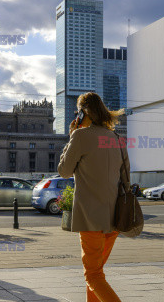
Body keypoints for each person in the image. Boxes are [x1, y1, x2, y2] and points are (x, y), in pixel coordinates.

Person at [58, 92, 126, 302]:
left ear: (82, 113)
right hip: (114, 219)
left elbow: (64, 171)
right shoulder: (116, 139)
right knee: (97, 272)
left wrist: (71, 138)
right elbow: (126, 177)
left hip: (91, 219)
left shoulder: (80, 137)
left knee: (93, 275)